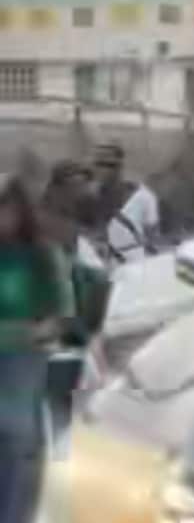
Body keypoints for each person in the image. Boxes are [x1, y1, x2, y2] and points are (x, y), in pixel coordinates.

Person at [0, 174, 75, 523]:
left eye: (5, 207)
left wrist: (33, 333)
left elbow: (61, 313)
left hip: (23, 360)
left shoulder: (43, 254)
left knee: (18, 438)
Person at [91, 144, 159, 265]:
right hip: (102, 268)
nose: (101, 170)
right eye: (98, 165)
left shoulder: (144, 197)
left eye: (108, 165)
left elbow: (152, 239)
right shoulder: (91, 198)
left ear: (119, 167)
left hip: (135, 266)